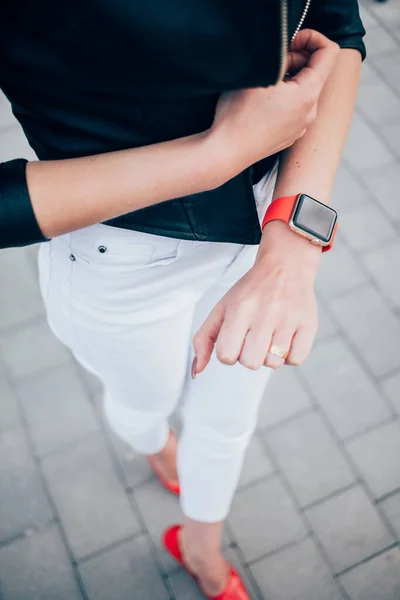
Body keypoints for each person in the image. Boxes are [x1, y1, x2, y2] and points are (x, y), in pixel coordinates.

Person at [0, 2, 365, 598]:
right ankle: (154, 444)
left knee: (228, 422)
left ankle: (201, 545)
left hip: (271, 213)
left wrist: (294, 244)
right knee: (143, 400)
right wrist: (214, 157)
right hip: (117, 249)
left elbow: (336, 26)